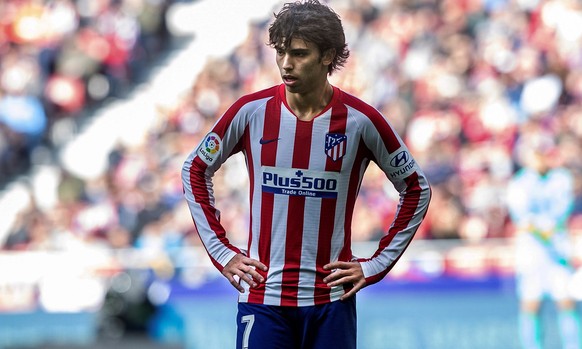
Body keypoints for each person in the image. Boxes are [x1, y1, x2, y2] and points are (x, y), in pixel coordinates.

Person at [181, 1, 431, 348]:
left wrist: (377, 263)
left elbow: (416, 187)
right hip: (264, 299)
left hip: (331, 303)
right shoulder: (251, 111)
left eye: (298, 53)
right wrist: (222, 252)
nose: (286, 63)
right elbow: (195, 168)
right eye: (281, 52)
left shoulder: (361, 121)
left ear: (328, 56)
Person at [507, 134, 581, 349]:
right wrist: (541, 229)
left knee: (566, 301)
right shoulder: (520, 182)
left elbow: (561, 210)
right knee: (531, 303)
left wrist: (547, 228)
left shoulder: (561, 178)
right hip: (532, 251)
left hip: (557, 249)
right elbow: (522, 217)